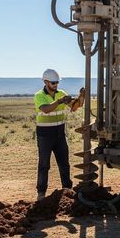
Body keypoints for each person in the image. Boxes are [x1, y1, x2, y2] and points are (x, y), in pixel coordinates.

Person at [34, 68, 85, 201]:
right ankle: (41, 193)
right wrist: (59, 101)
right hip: (44, 136)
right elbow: (45, 109)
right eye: (53, 82)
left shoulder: (61, 93)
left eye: (57, 82)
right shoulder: (39, 95)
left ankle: (67, 190)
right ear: (45, 82)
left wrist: (81, 97)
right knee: (44, 164)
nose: (56, 85)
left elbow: (74, 107)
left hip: (59, 134)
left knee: (64, 163)